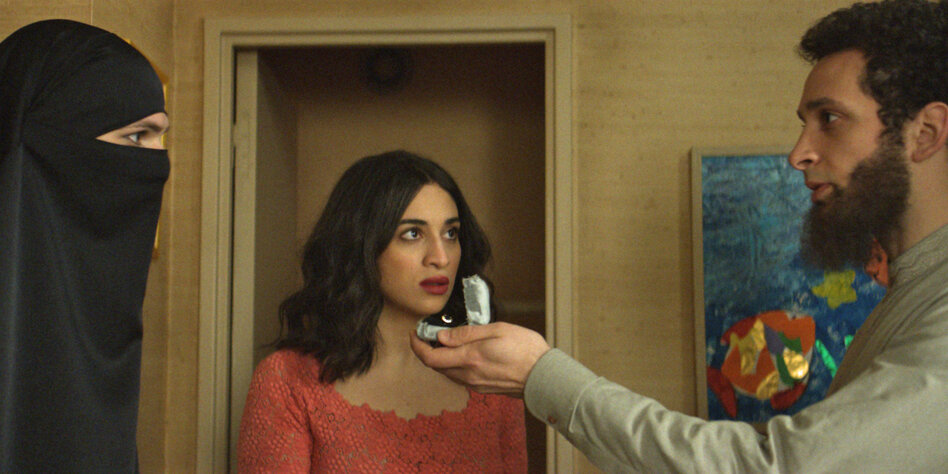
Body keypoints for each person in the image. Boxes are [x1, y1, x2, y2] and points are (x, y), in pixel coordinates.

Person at [411, 0, 948, 471]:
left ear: (925, 134)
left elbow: (776, 468)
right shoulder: (909, 292)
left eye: (829, 118)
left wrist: (541, 374)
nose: (798, 153)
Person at [237, 150, 527, 472]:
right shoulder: (287, 381)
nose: (441, 257)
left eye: (451, 233)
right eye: (413, 234)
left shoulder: (491, 377)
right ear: (361, 245)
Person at [0, 19, 170, 472]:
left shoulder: (98, 320)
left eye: (160, 136)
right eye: (136, 136)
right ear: (51, 145)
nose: (159, 162)